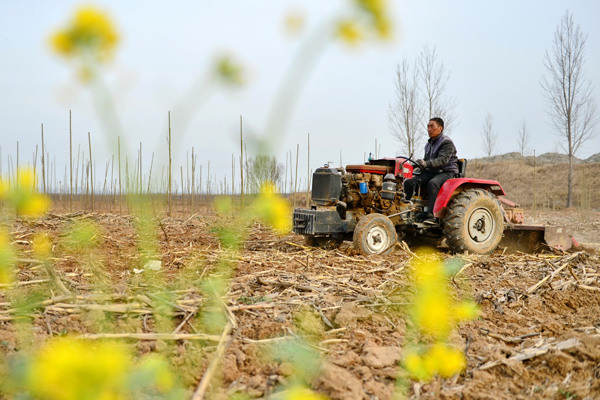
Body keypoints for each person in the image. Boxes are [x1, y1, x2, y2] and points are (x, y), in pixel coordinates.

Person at [403, 117, 458, 225]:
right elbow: (427, 162)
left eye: (432, 126)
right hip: (433, 171)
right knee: (409, 182)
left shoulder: (447, 143)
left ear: (440, 128)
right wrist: (417, 166)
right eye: (428, 126)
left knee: (433, 183)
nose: (428, 129)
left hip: (447, 171)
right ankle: (406, 211)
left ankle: (432, 215)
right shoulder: (429, 144)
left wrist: (426, 163)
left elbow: (442, 160)